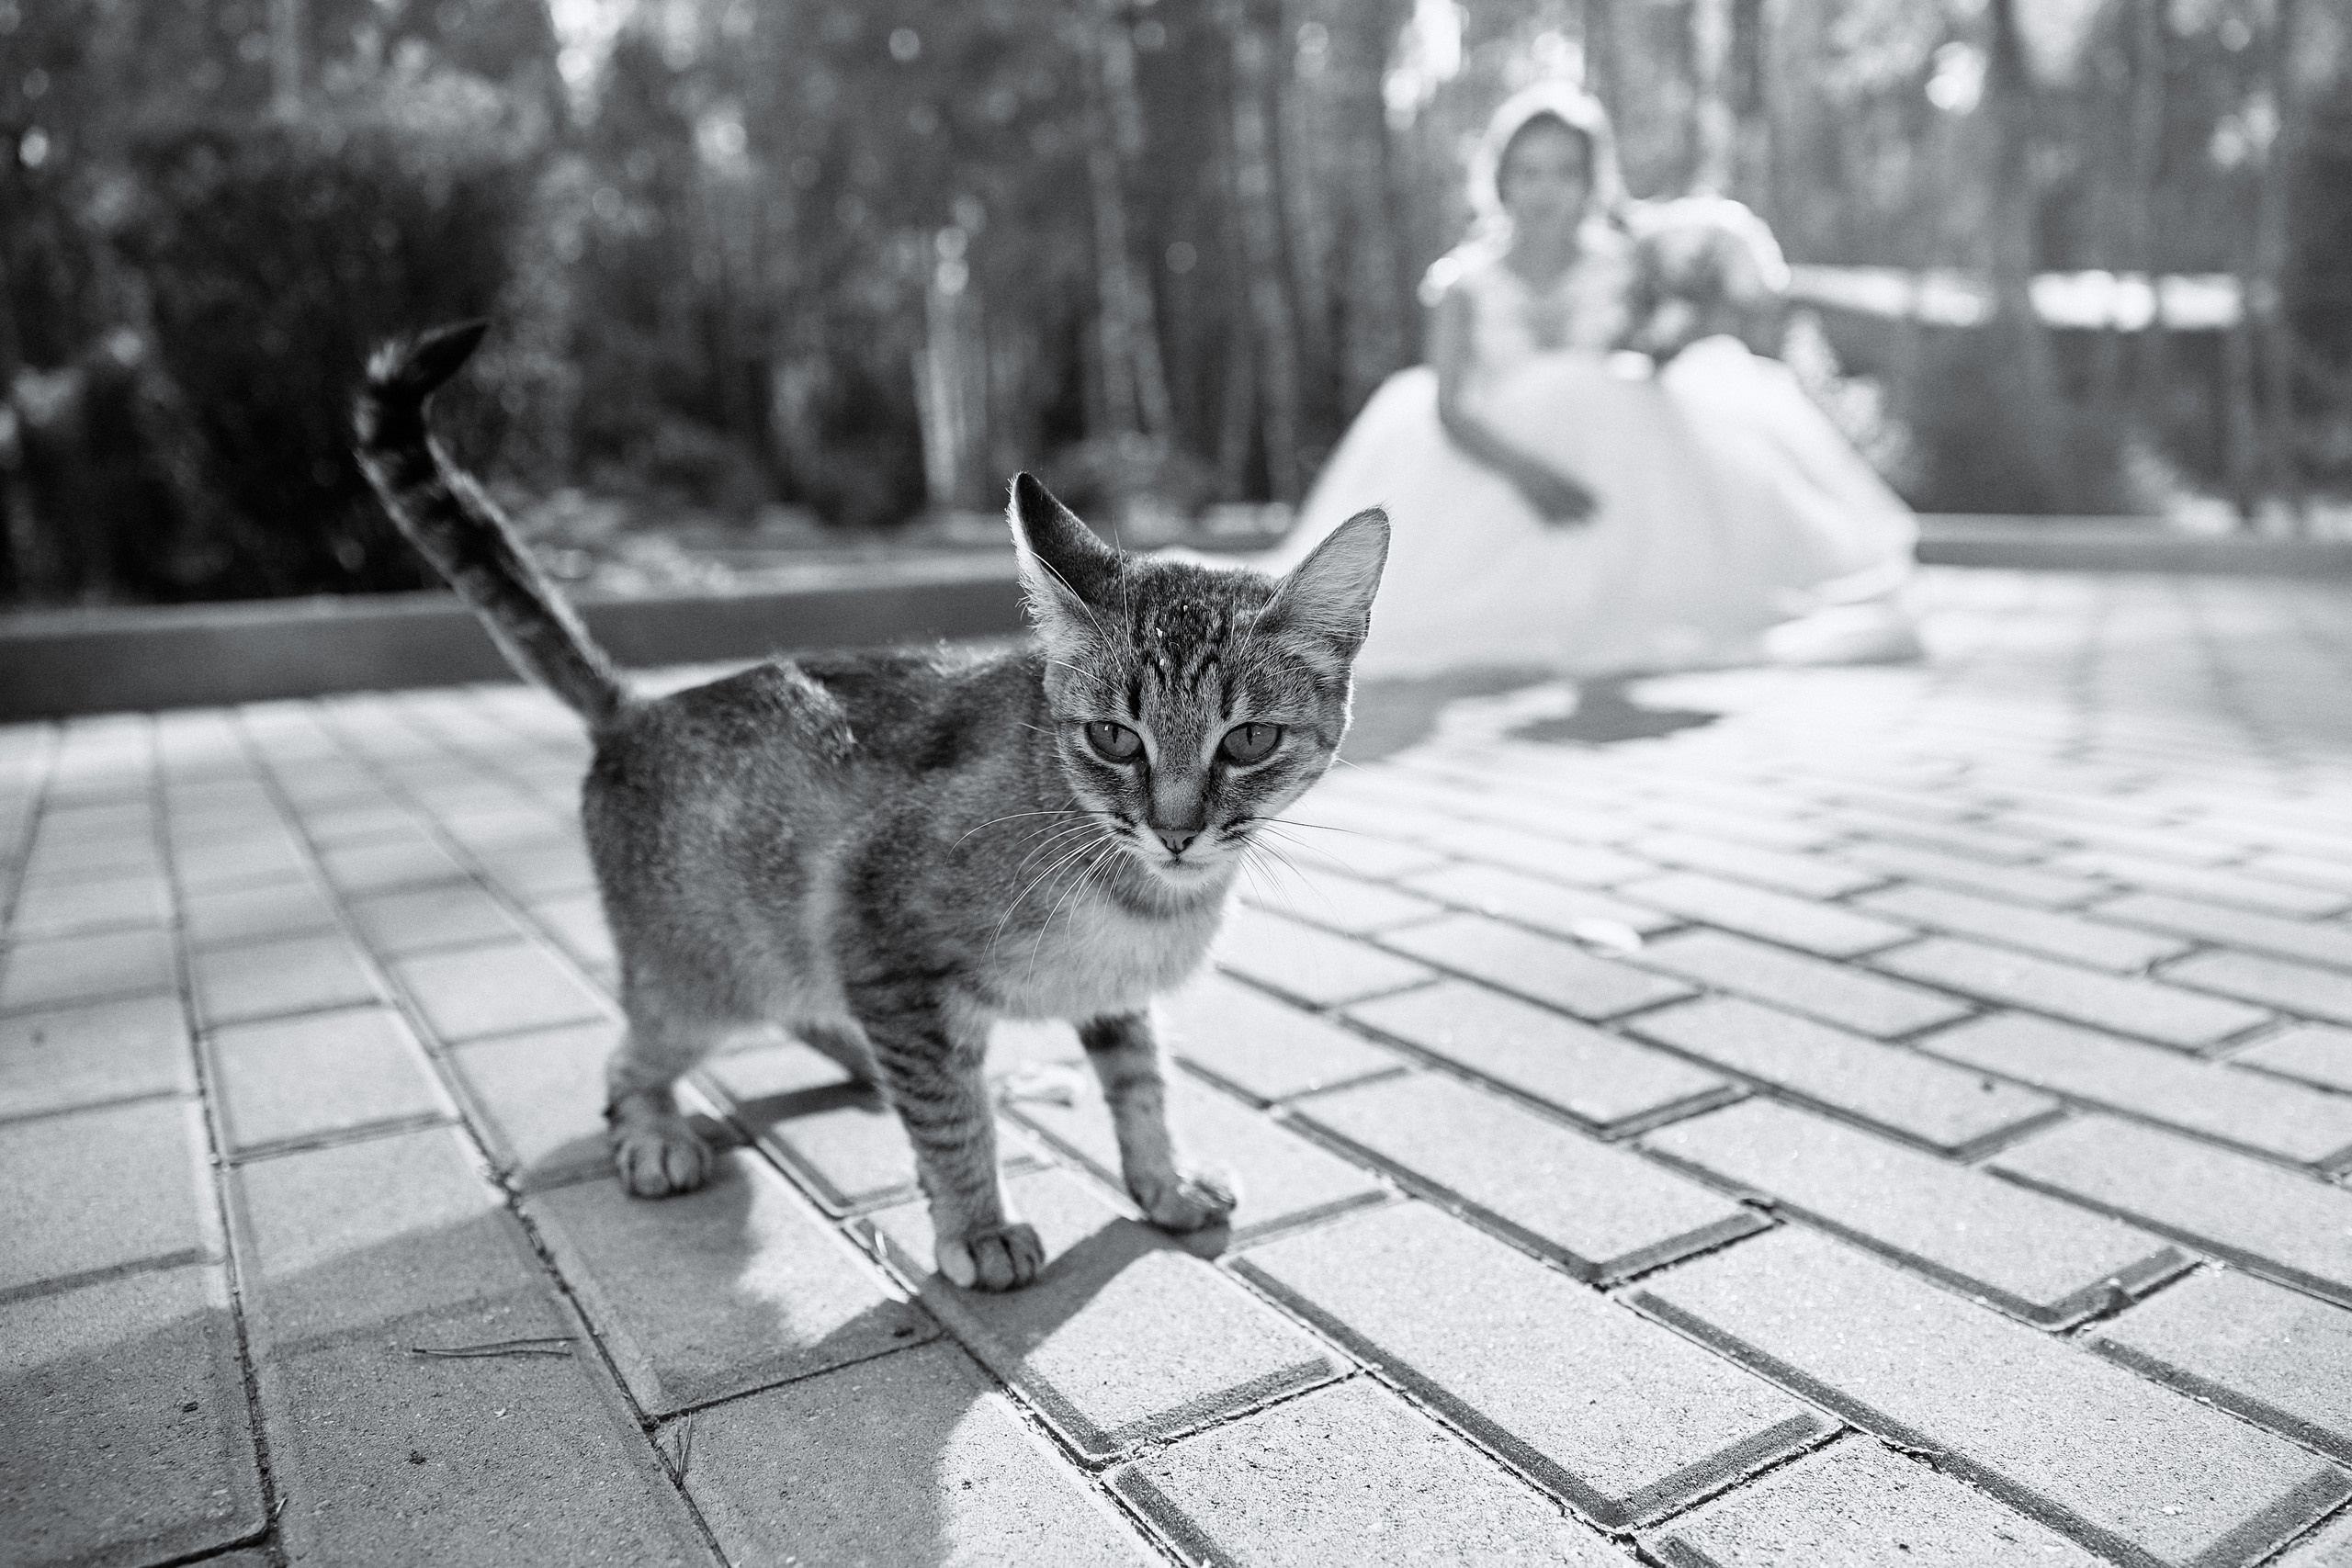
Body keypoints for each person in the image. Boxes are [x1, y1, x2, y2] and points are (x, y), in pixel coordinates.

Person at [1247, 84, 1919, 679]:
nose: (1547, 189)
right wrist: (1529, 477)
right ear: (1501, 179)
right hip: (1492, 462)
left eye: (1567, 172)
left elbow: (1647, 351)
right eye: (1529, 171)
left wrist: (1675, 332)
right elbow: (1449, 407)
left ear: (1594, 180)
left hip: (1616, 465)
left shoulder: (1627, 265)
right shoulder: (1464, 284)